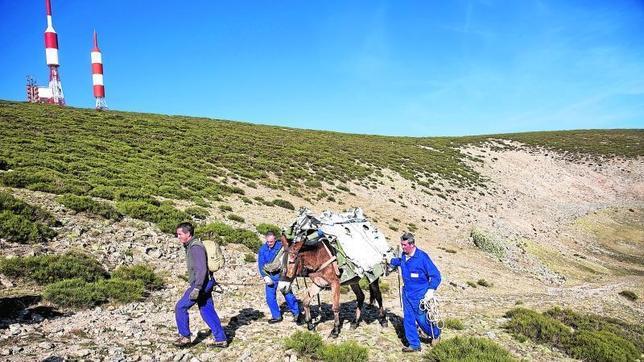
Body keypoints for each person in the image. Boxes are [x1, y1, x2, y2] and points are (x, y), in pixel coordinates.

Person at [174, 222, 228, 348]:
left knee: (180, 307)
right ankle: (221, 339)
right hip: (207, 282)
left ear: (188, 234)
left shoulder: (195, 247)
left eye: (180, 234)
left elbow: (201, 269)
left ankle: (185, 337)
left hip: (201, 284)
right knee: (207, 310)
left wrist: (197, 288)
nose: (178, 237)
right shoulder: (192, 245)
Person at [387, 232, 441, 353]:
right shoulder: (404, 255)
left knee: (421, 320)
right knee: (408, 319)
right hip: (407, 294)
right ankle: (414, 344)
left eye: (405, 245)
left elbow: (436, 275)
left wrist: (431, 290)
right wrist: (390, 260)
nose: (403, 247)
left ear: (412, 244)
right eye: (401, 244)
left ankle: (436, 333)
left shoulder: (422, 257)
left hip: (420, 295)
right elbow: (401, 261)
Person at [257, 231, 301, 323]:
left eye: (271, 242)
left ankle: (297, 313)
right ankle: (276, 316)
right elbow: (261, 264)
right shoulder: (262, 249)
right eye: (268, 242)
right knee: (270, 297)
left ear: (275, 240)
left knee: (288, 295)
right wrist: (265, 276)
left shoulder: (282, 246)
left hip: (281, 275)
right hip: (270, 276)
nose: (270, 244)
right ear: (266, 240)